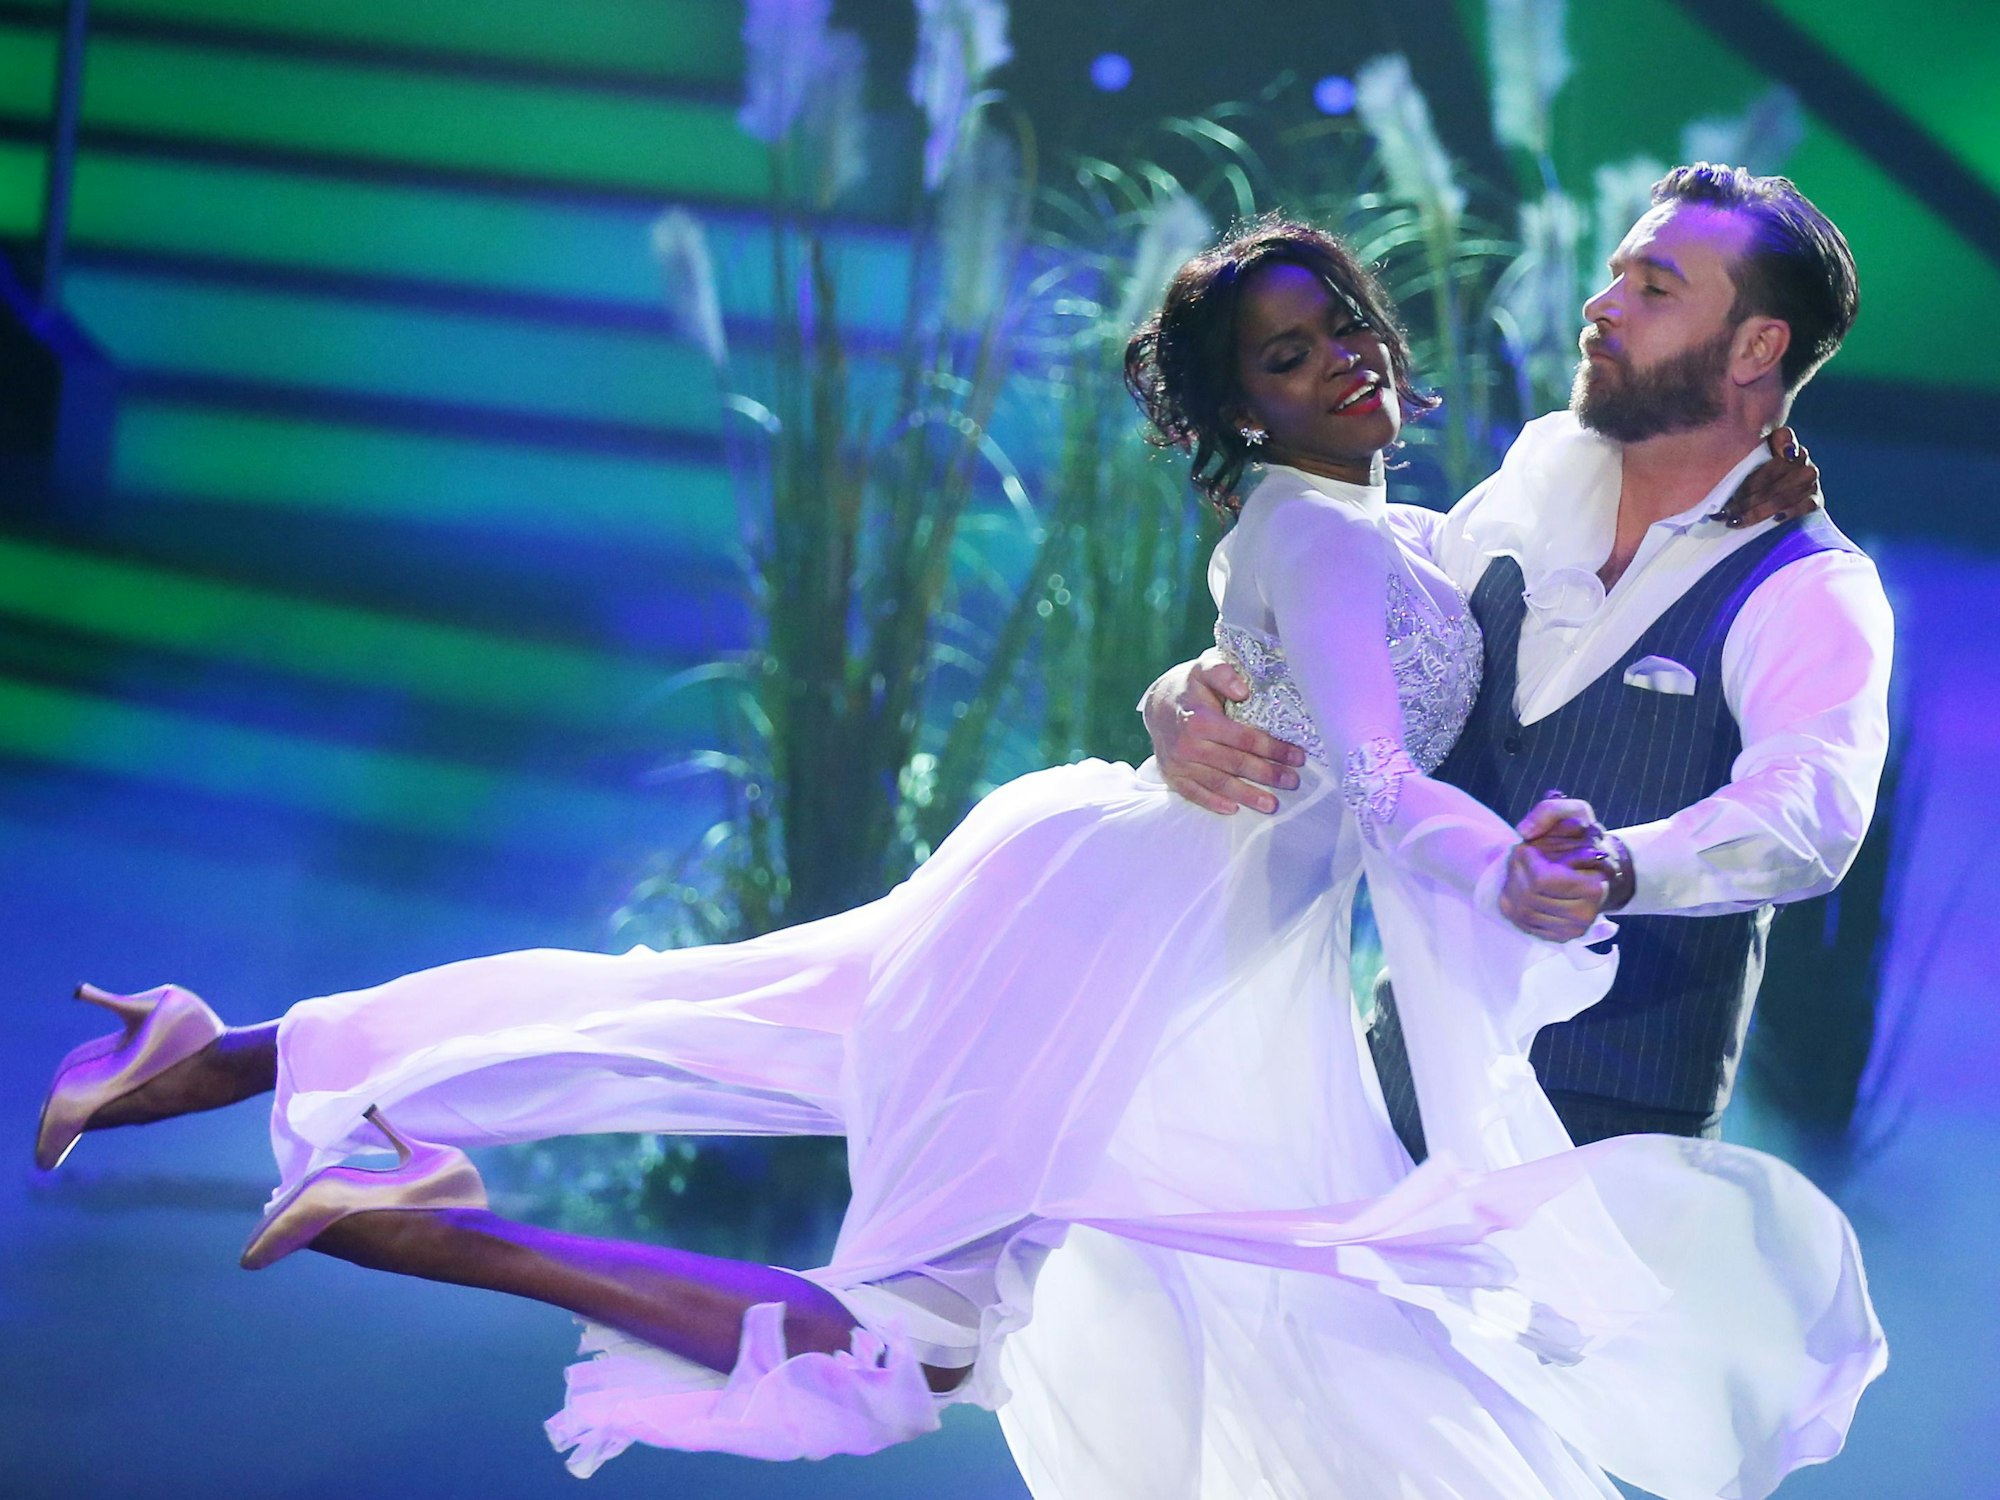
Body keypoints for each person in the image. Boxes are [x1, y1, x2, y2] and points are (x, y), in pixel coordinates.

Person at [34, 217, 1881, 1498]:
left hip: (1193, 926)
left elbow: (1687, 770)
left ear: (1757, 353)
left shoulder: (1497, 518)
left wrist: (1213, 684)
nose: (1351, 358)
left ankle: (246, 1060)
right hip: (1152, 931)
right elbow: (1380, 760)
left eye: (1348, 325)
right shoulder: (1354, 525)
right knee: (897, 1311)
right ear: (1242, 408)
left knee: (722, 1024)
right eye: (1294, 353)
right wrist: (1471, 849)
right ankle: (426, 1220)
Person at [1145, 165, 1894, 1157]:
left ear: (1756, 346)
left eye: (1652, 287)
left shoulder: (1807, 587)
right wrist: (1187, 691)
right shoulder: (1529, 491)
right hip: (1396, 1104)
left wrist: (1618, 866)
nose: (1600, 304)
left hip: (1610, 1147)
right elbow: (1349, 611)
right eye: (1614, 274)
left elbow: (1810, 813)